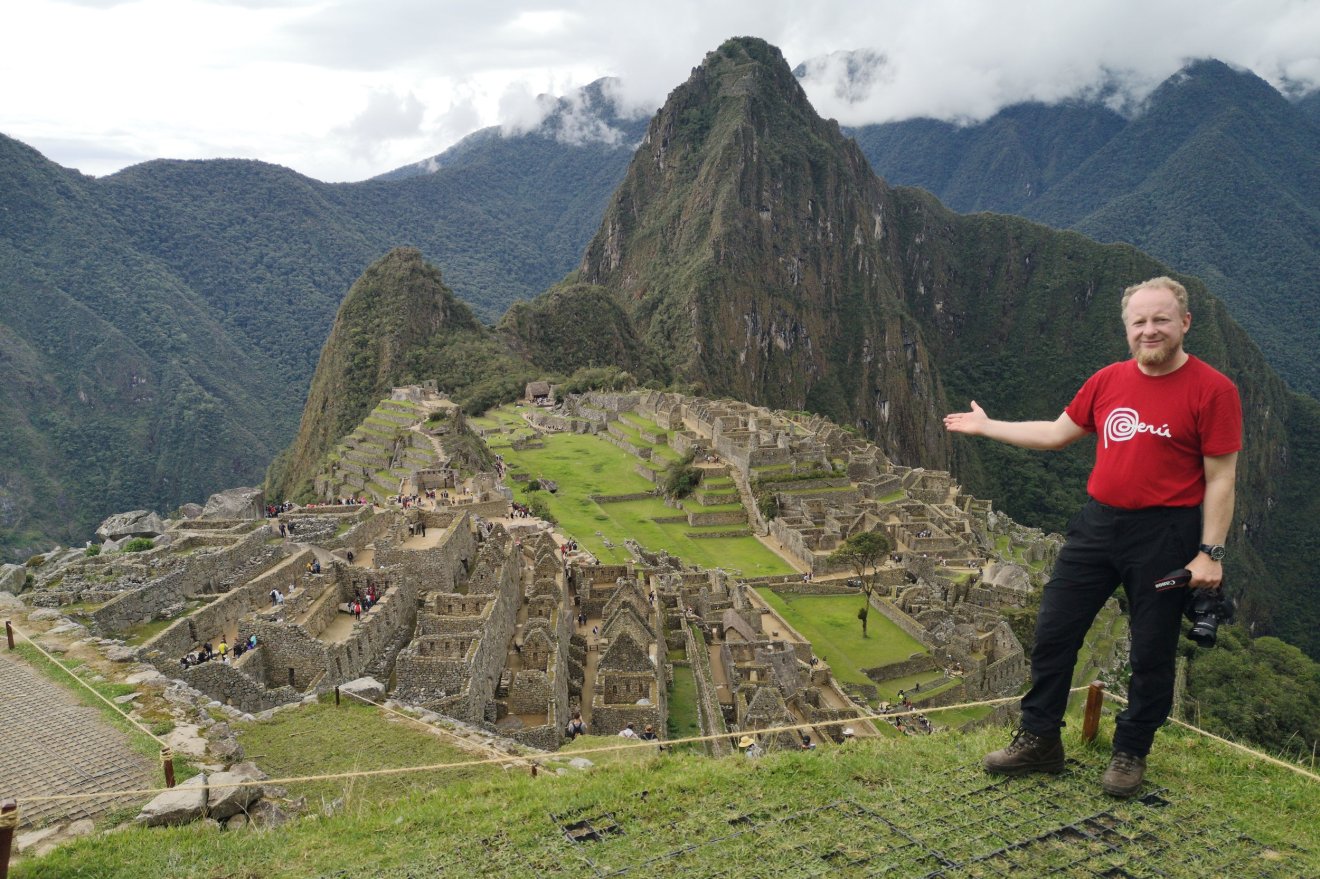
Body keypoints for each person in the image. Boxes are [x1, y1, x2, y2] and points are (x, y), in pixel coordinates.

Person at [944, 276, 1241, 798]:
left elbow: (1221, 477)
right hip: (1097, 526)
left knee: (1151, 650)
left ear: (1185, 323)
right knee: (1054, 632)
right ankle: (1039, 738)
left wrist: (1209, 553)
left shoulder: (1213, 390)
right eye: (1139, 322)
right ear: (1127, 329)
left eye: (1161, 320)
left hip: (1166, 536)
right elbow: (1057, 434)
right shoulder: (1107, 381)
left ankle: (1131, 751)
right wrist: (986, 426)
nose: (1150, 330)